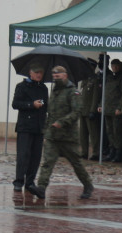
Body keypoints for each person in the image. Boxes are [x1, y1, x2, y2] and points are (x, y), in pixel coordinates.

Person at [27, 66, 94, 201]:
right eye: (54, 76)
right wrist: (46, 131)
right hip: (53, 136)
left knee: (76, 163)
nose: (56, 78)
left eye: (58, 76)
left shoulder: (72, 92)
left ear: (65, 75)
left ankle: (88, 185)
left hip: (68, 137)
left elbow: (77, 112)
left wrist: (62, 122)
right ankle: (41, 188)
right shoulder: (55, 91)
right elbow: (50, 113)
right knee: (47, 163)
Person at [11, 64, 49, 193]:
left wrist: (43, 105)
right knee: (23, 155)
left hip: (38, 126)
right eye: (36, 72)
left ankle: (30, 181)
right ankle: (19, 181)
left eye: (41, 72)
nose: (39, 74)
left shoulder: (43, 88)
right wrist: (31, 105)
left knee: (36, 156)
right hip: (25, 126)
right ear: (30, 73)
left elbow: (45, 105)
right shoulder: (21, 87)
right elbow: (15, 104)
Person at [103, 58, 122, 162]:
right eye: (113, 66)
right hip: (107, 108)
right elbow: (105, 93)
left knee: (117, 132)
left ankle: (118, 153)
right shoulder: (109, 77)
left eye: (117, 66)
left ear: (120, 67)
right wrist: (101, 104)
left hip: (116, 109)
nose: (115, 68)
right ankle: (111, 151)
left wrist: (119, 108)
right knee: (109, 131)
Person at [78, 59, 102, 160]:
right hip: (82, 109)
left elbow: (96, 96)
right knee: (82, 133)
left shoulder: (95, 80)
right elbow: (81, 94)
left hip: (90, 110)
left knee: (93, 134)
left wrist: (93, 110)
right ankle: (84, 152)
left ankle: (96, 153)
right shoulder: (84, 79)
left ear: (92, 67)